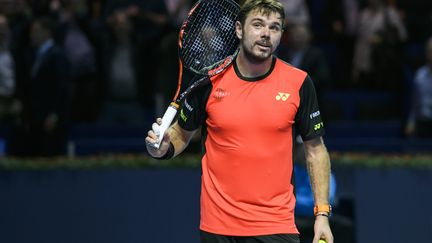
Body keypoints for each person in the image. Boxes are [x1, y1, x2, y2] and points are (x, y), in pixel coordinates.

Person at [146, 1, 333, 243]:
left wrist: (322, 215)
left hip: (275, 225)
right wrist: (163, 148)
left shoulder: (299, 83)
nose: (266, 33)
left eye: (275, 28)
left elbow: (316, 151)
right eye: (258, 25)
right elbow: (181, 135)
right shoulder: (209, 82)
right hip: (218, 228)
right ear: (238, 29)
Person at [405, 37, 432, 138]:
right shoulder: (419, 75)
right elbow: (415, 102)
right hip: (423, 123)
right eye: (430, 50)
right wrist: (411, 122)